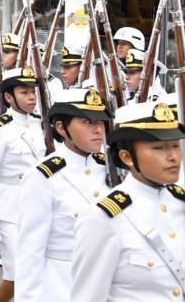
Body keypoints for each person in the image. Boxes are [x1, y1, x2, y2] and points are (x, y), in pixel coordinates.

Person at [71, 101, 184, 301]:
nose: (173, 157)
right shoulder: (102, 218)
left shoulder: (180, 203)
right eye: (159, 148)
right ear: (127, 157)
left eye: (176, 146)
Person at [14, 88, 111, 302]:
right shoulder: (42, 176)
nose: (97, 130)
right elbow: (30, 251)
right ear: (61, 128)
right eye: (87, 122)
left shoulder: (110, 169)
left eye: (100, 122)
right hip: (61, 285)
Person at [0, 66, 47, 302]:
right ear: (9, 97)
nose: (31, 97)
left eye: (33, 92)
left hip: (38, 206)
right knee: (18, 272)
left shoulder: (40, 125)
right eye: (24, 92)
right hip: (9, 210)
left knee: (36, 273)